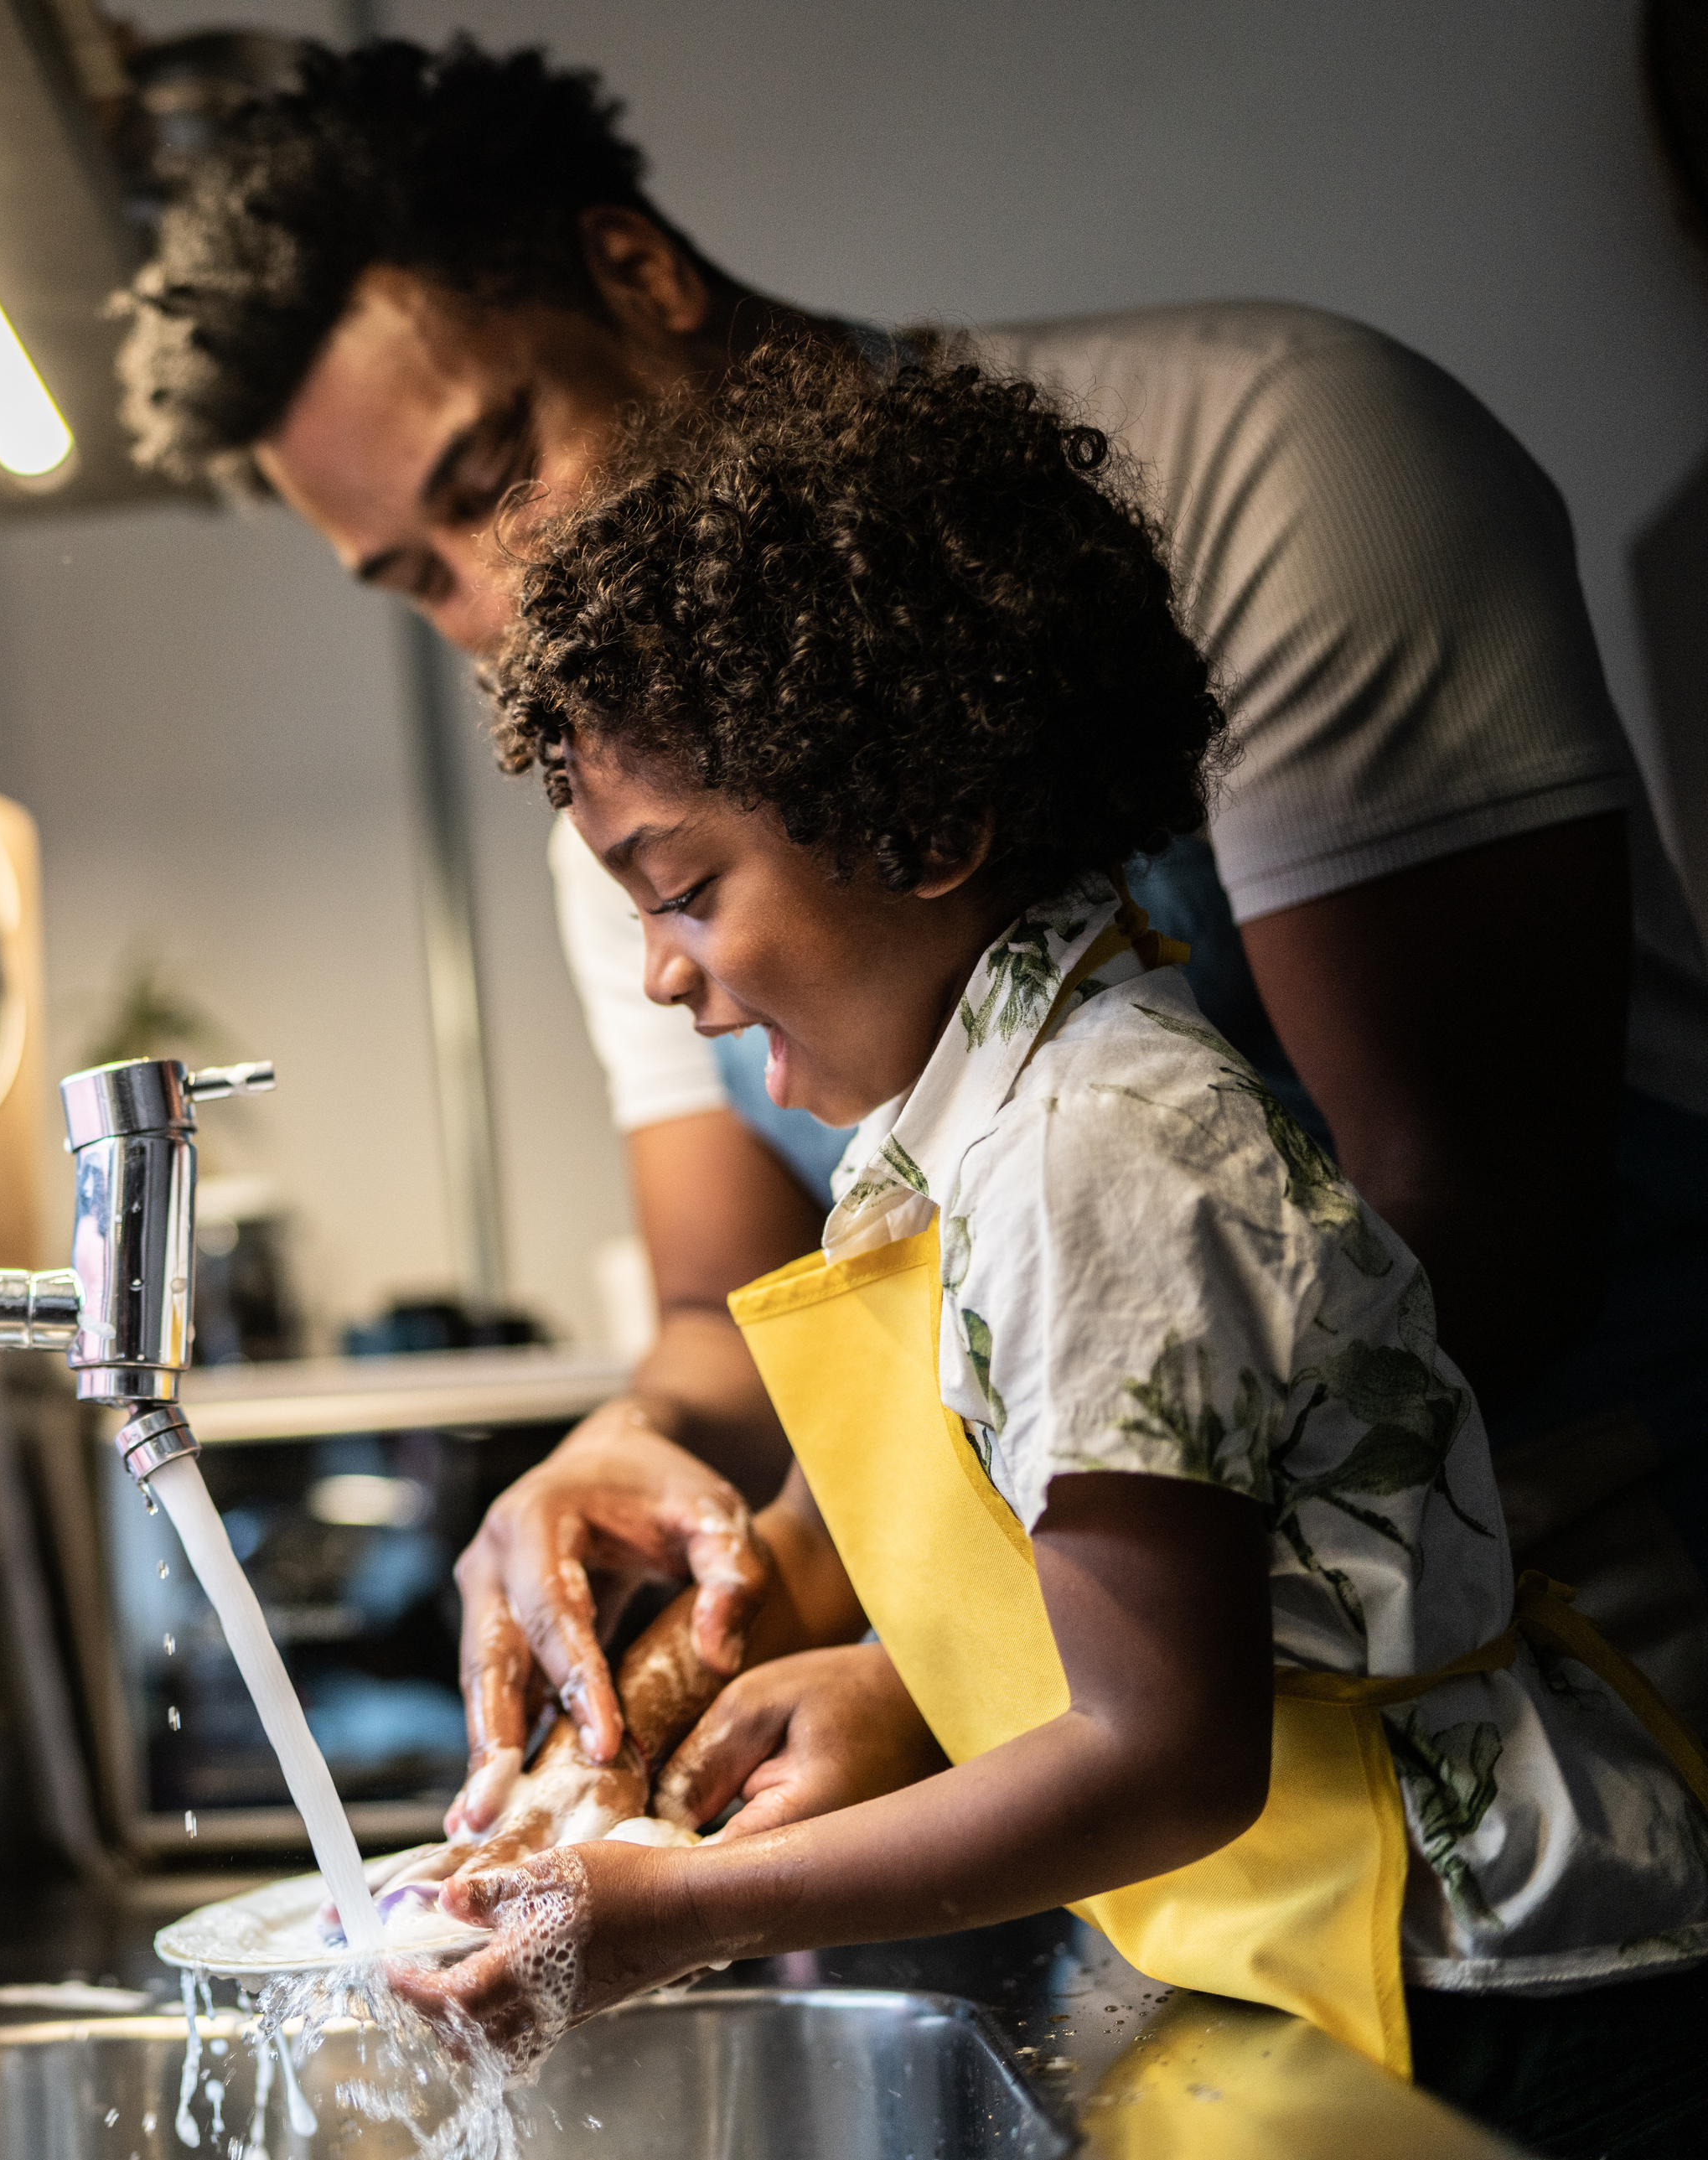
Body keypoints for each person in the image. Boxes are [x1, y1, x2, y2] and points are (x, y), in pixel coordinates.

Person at [113, 35, 1708, 1838]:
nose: (492, 605)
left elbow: (1452, 1231)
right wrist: (632, 1467)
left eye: (494, 475)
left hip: (1586, 1716)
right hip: (1188, 1806)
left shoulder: (1273, 458)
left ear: (636, 271)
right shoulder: (634, 801)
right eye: (413, 580)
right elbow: (729, 1313)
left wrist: (953, 1672)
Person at [386, 343, 1708, 2157]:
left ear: (925, 831)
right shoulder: (988, 1123)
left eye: (685, 888)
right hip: (1356, 1946)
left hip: (1534, 1991)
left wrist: (677, 1911)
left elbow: (1158, 1749)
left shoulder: (1100, 1154)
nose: (662, 974)